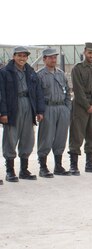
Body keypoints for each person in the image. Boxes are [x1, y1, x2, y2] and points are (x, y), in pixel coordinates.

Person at [0, 46, 45, 183]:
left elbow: (38, 92)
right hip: (13, 106)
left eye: (24, 56)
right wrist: (3, 112)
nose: (22, 58)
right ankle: (10, 171)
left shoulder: (31, 72)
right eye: (19, 56)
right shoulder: (5, 72)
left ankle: (24, 170)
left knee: (27, 137)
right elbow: (2, 94)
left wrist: (39, 110)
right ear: (14, 56)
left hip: (28, 105)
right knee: (11, 138)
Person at [69, 42, 92, 175]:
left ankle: (89, 163)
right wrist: (87, 105)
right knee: (77, 134)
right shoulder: (77, 69)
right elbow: (77, 89)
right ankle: (73, 165)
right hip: (81, 105)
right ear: (84, 52)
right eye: (90, 52)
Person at [36, 48, 72, 178]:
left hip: (62, 108)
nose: (53, 60)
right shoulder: (39, 75)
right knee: (46, 137)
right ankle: (43, 167)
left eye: (55, 57)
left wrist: (67, 109)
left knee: (60, 137)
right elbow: (37, 95)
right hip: (48, 108)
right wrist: (40, 111)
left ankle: (58, 165)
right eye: (50, 57)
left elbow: (67, 92)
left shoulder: (61, 74)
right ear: (44, 59)